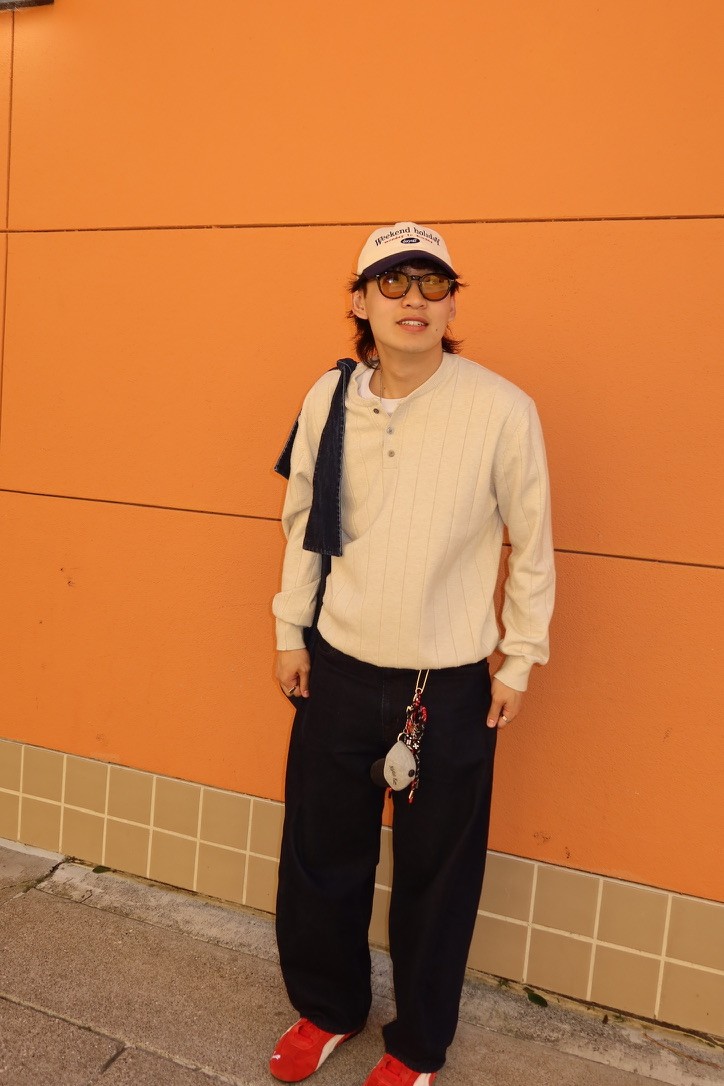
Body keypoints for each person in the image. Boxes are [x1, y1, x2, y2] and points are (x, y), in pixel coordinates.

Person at [270, 222, 554, 1086]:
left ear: (452, 305)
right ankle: (328, 1008)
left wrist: (518, 659)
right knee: (322, 859)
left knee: (438, 879)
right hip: (338, 668)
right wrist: (290, 631)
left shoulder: (501, 409)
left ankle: (418, 1046)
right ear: (360, 301)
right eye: (392, 283)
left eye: (433, 284)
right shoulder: (329, 399)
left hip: (450, 684)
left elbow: (532, 543)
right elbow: (303, 521)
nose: (414, 301)